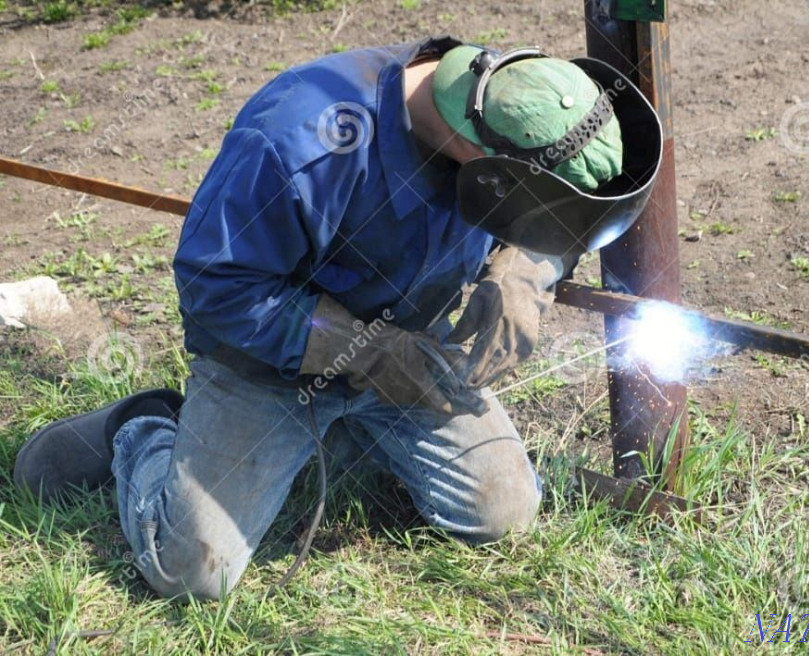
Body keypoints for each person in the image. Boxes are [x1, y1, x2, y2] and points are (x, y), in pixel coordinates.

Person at [13, 36, 659, 600]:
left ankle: (337, 437)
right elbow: (219, 286)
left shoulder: (513, 98)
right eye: (524, 200)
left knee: (503, 513)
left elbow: (558, 203)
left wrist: (526, 273)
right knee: (194, 575)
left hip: (411, 344)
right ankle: (149, 427)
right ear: (482, 159)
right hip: (272, 366)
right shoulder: (298, 142)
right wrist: (366, 354)